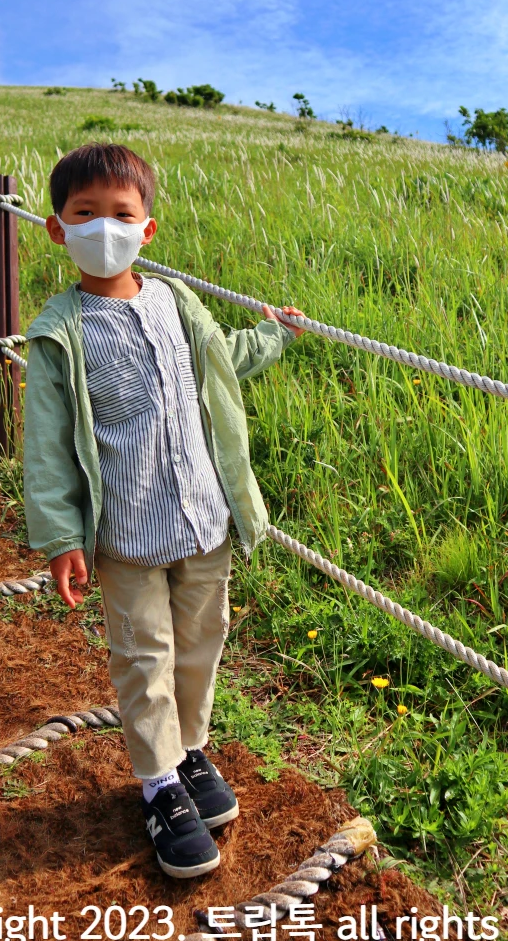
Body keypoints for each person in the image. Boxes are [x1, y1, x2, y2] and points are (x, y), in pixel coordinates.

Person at [23, 142, 306, 879]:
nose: (103, 228)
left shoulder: (177, 302)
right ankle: (157, 785)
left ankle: (187, 750)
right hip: (125, 537)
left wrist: (275, 333)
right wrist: (60, 537)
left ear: (147, 229)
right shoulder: (62, 332)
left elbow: (219, 358)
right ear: (58, 229)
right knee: (142, 657)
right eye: (85, 214)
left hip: (204, 518)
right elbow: (49, 446)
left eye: (121, 214)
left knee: (201, 641)